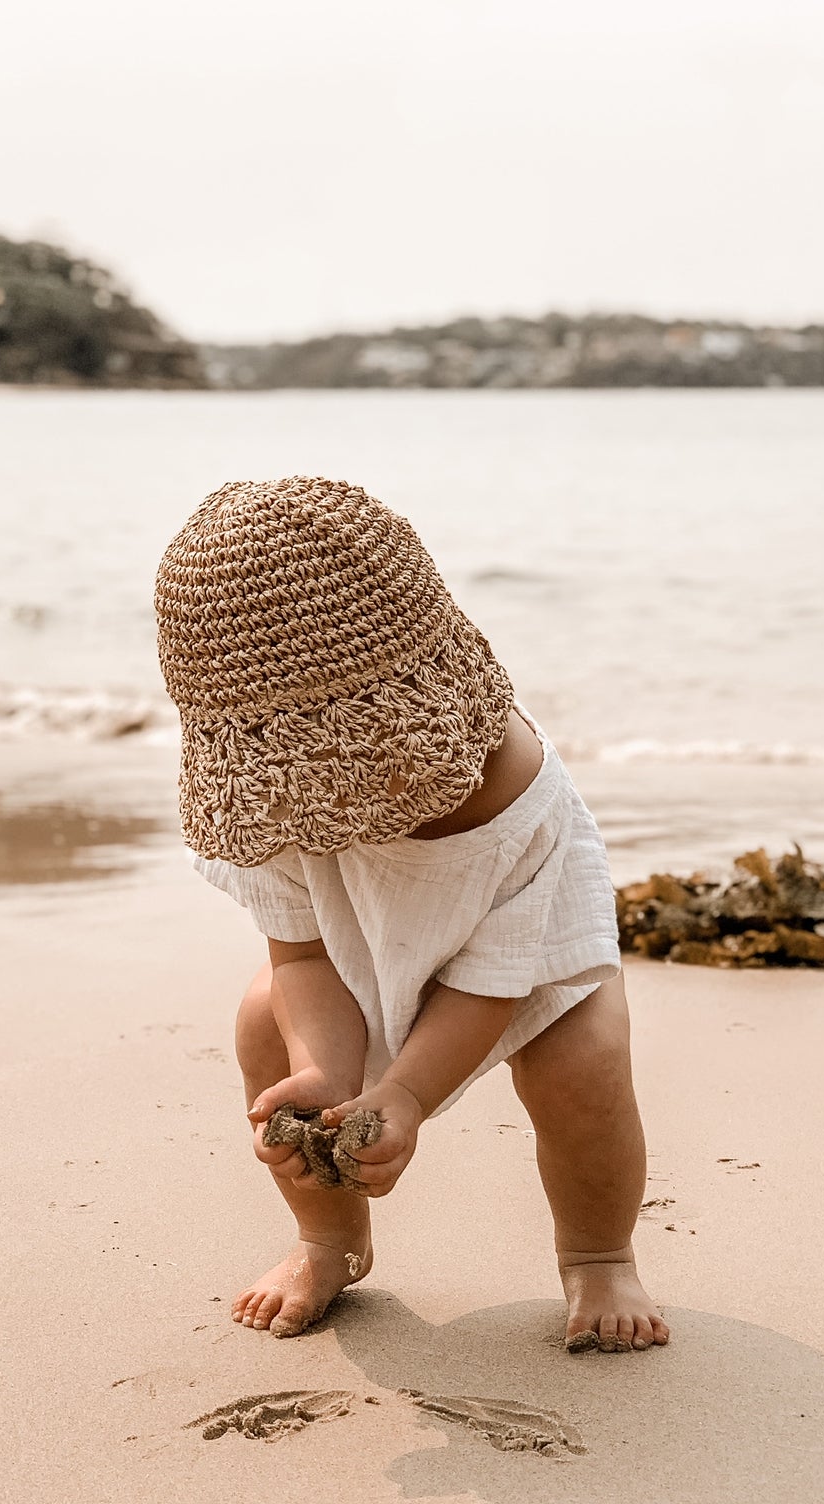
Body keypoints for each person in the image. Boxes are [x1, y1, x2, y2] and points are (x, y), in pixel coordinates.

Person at [154, 475, 668, 1353]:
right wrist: (328, 1074)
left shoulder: (506, 792)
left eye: (362, 767)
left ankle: (598, 1252)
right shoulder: (276, 795)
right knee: (263, 1030)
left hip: (524, 960)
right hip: (360, 936)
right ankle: (329, 1239)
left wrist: (405, 1094)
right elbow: (304, 957)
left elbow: (495, 984)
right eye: (316, 777)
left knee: (581, 1062)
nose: (341, 798)